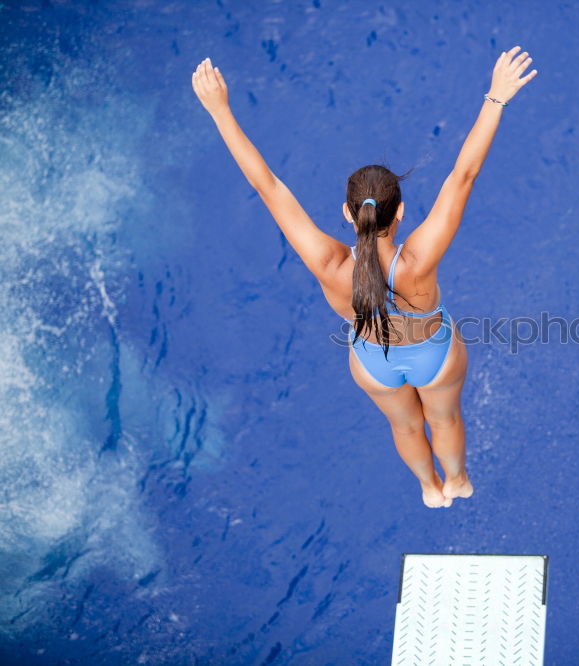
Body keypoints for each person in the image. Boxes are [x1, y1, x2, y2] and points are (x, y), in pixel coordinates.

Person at [192, 46, 538, 508]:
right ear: (401, 214)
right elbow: (463, 176)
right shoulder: (417, 261)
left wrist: (220, 111)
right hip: (432, 355)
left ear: (346, 214)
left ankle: (428, 488)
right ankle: (456, 480)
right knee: (445, 419)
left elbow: (267, 187)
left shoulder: (330, 265)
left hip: (373, 363)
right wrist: (496, 97)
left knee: (405, 426)